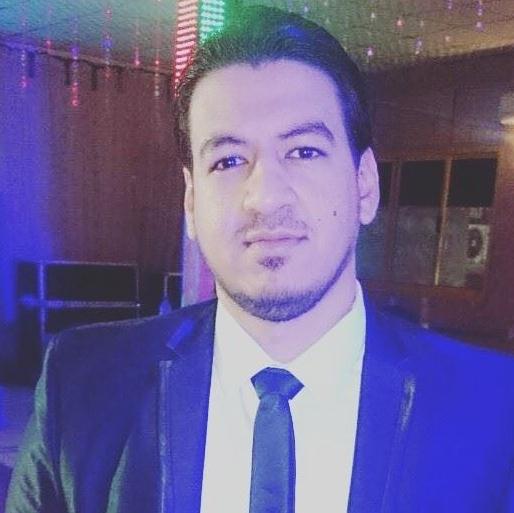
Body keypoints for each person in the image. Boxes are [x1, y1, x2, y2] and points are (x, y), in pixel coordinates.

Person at [7, 6, 514, 513]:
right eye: (228, 160)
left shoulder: (495, 409)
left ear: (364, 185)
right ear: (191, 200)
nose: (265, 197)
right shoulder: (83, 383)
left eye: (304, 151)